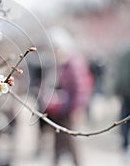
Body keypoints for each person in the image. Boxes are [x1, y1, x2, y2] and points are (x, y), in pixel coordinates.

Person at [38, 27, 94, 166]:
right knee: (58, 142)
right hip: (59, 110)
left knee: (71, 142)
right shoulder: (58, 63)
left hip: (69, 110)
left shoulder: (73, 63)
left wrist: (77, 109)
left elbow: (79, 88)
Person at [114, 47, 130, 152]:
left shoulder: (124, 53)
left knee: (124, 119)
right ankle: (124, 145)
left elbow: (119, 74)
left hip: (125, 93)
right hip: (126, 92)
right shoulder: (125, 54)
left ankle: (124, 145)